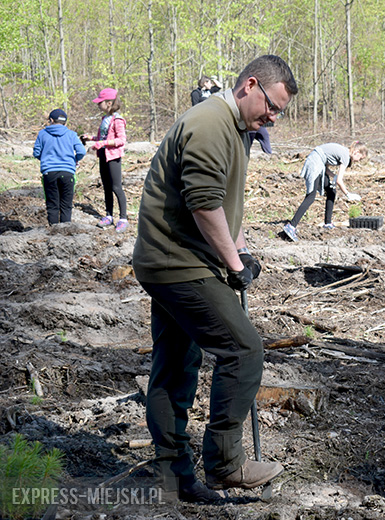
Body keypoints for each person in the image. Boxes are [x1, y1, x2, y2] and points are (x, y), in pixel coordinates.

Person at [132, 55, 298, 502]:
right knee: (243, 350)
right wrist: (235, 266)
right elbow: (204, 204)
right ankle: (225, 464)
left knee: (175, 367)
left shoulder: (236, 129)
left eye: (279, 112)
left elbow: (224, 205)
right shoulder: (209, 123)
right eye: (272, 106)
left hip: (177, 259)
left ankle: (174, 478)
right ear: (250, 85)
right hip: (177, 262)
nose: (273, 118)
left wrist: (239, 251)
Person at [282, 141, 368, 242]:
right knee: (311, 197)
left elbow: (326, 167)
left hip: (319, 163)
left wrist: (333, 176)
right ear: (356, 152)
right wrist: (348, 194)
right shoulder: (345, 155)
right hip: (314, 163)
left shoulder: (344, 152)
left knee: (331, 191)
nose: (359, 161)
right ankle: (291, 226)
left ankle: (328, 223)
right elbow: (339, 181)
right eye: (360, 158)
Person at [82, 88, 129, 232]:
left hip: (113, 157)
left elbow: (121, 140)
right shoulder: (104, 119)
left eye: (100, 102)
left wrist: (103, 143)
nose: (98, 105)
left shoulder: (118, 120)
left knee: (116, 187)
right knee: (106, 187)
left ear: (109, 103)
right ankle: (109, 215)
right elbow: (103, 137)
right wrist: (91, 138)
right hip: (103, 155)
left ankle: (123, 218)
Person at [33, 109, 86, 225]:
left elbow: (36, 153)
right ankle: (65, 231)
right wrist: (75, 160)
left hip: (49, 173)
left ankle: (53, 230)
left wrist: (46, 159)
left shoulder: (42, 134)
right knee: (66, 205)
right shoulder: (72, 134)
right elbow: (82, 151)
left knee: (52, 205)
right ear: (65, 122)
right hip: (68, 173)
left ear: (51, 120)